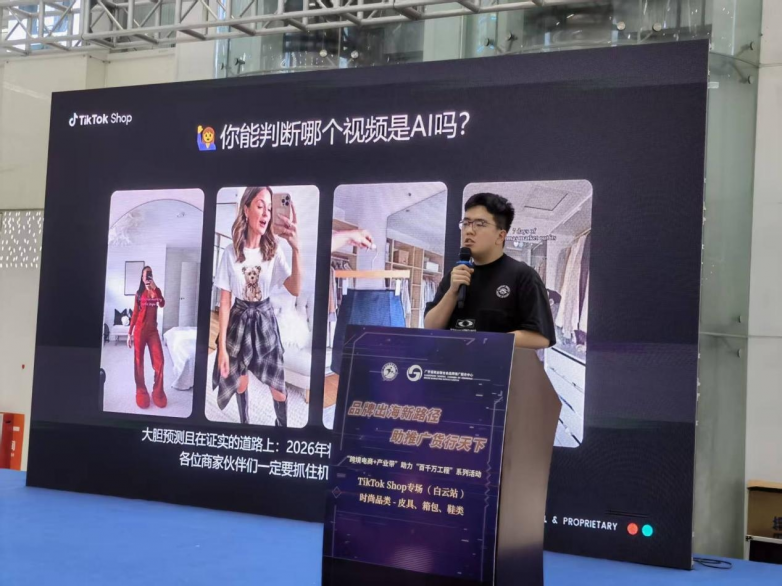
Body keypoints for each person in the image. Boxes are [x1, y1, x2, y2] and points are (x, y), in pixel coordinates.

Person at [212, 186, 302, 426]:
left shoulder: (274, 251)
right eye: (260, 206)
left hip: (264, 321)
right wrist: (222, 350)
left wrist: (296, 249)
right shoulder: (230, 253)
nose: (266, 214)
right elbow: (225, 302)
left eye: (269, 209)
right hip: (238, 320)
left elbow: (294, 288)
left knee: (279, 389)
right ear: (246, 209)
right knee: (240, 383)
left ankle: (281, 429)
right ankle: (245, 424)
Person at [424, 193, 556, 349]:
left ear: (500, 236)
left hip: (500, 364)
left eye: (480, 224)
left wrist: (485, 342)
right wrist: (452, 292)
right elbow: (430, 328)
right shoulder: (455, 276)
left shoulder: (523, 275)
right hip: (453, 363)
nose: (469, 231)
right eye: (466, 223)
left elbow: (541, 338)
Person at [128, 266, 166, 409]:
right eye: (145, 275)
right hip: (140, 331)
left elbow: (162, 303)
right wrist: (129, 333)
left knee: (160, 361)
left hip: (152, 331)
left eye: (150, 275)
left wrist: (155, 289)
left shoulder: (156, 291)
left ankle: (158, 392)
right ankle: (141, 391)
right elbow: (135, 314)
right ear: (142, 277)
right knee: (138, 361)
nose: (147, 277)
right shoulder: (138, 294)